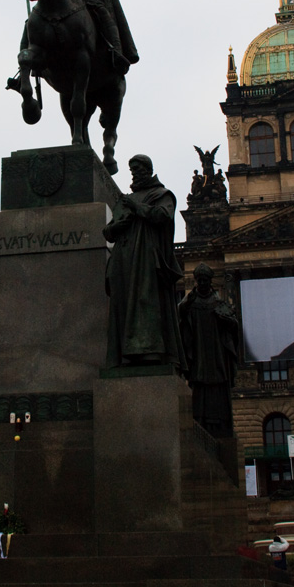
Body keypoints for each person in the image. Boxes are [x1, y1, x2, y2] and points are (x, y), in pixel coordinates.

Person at [103, 155, 186, 369]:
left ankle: (150, 353)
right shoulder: (125, 199)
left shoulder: (162, 194)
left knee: (145, 303)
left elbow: (163, 216)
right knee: (121, 306)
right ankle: (122, 356)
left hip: (145, 261)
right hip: (123, 261)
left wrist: (137, 207)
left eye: (138, 169)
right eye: (132, 170)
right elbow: (109, 231)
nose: (135, 173)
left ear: (148, 170)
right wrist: (117, 227)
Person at [178, 264, 239, 436]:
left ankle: (221, 425)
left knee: (218, 385)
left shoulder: (219, 302)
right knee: (199, 386)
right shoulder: (191, 302)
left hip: (217, 353)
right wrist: (188, 299)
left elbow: (234, 325)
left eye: (205, 280)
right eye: (200, 280)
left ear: (211, 281)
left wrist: (226, 321)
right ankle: (199, 422)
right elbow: (179, 313)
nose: (203, 283)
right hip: (199, 353)